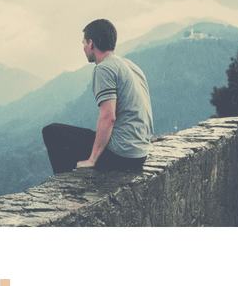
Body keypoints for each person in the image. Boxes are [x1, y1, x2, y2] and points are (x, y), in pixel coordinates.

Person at [42, 19, 154, 174]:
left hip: (122, 155)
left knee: (51, 132)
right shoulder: (130, 65)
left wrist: (92, 159)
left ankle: (64, 187)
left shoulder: (104, 68)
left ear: (92, 44)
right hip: (139, 153)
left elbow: (108, 117)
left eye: (84, 43)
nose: (83, 47)